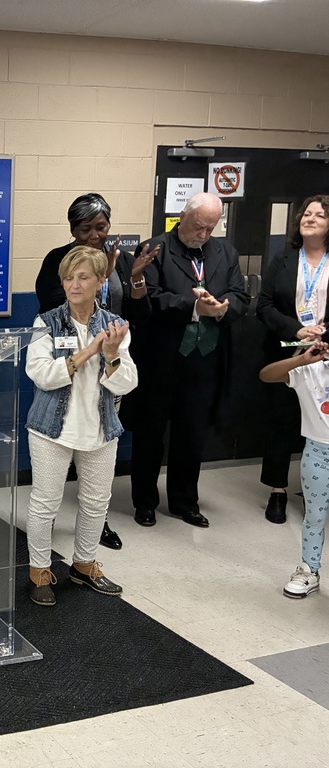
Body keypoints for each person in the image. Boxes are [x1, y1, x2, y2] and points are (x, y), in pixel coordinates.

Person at [35, 193, 156, 550]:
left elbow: (141, 314)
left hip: (108, 369)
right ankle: (47, 516)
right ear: (72, 229)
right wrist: (93, 286)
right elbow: (51, 307)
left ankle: (95, 524)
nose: (94, 235)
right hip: (69, 364)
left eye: (100, 227)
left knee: (98, 449)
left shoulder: (120, 260)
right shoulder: (58, 260)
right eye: (85, 228)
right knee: (57, 445)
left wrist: (132, 278)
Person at [25, 245, 138, 606]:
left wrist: (111, 357)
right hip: (51, 430)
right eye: (69, 277)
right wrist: (86, 353)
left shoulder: (115, 327)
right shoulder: (46, 322)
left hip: (100, 428)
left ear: (101, 281)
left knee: (95, 502)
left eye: (83, 277)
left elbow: (127, 383)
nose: (74, 284)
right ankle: (39, 569)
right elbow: (40, 374)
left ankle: (84, 564)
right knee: (45, 502)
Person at [131, 192, 249, 528]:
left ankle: (184, 502)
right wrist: (194, 307)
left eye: (210, 229)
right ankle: (145, 502)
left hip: (205, 360)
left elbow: (240, 294)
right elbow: (150, 299)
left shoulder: (225, 252)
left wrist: (223, 306)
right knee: (151, 434)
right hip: (162, 359)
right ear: (183, 216)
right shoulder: (155, 249)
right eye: (198, 227)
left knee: (192, 433)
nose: (203, 235)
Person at [256, 195, 329, 523]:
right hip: (286, 353)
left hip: (325, 354)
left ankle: (319, 487)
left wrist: (324, 335)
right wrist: (298, 330)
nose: (310, 218)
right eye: (307, 214)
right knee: (280, 421)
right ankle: (277, 489)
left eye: (319, 215)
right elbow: (265, 306)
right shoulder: (283, 260)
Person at [259, 338, 329, 598]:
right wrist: (302, 359)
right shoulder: (311, 370)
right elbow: (267, 375)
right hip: (318, 453)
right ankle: (309, 570)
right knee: (314, 517)